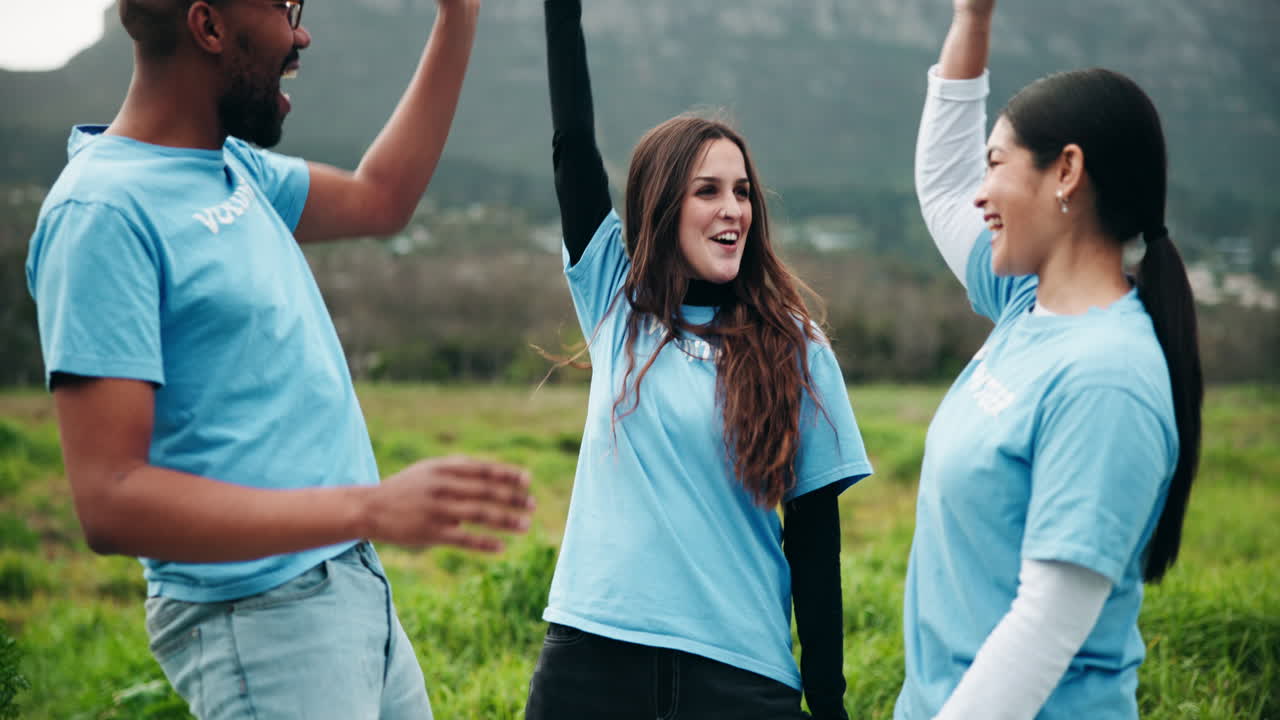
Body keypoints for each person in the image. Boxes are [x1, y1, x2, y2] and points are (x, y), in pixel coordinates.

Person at [24, 1, 535, 718]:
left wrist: (460, 15)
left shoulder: (230, 168)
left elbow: (380, 198)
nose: (302, 35)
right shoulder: (103, 213)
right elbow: (110, 498)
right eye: (284, 8)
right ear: (207, 27)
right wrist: (370, 506)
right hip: (261, 623)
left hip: (349, 586)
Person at [526, 2, 874, 719]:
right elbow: (573, 147)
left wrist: (830, 701)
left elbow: (814, 540)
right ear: (662, 205)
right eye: (708, 190)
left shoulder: (797, 347)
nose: (733, 209)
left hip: (739, 675)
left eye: (743, 192)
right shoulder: (617, 304)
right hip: (594, 657)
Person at [895, 1, 1204, 718]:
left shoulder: (1109, 380)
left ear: (1066, 171)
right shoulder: (1024, 303)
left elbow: (1046, 627)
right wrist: (971, 19)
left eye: (996, 165)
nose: (980, 192)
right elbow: (941, 183)